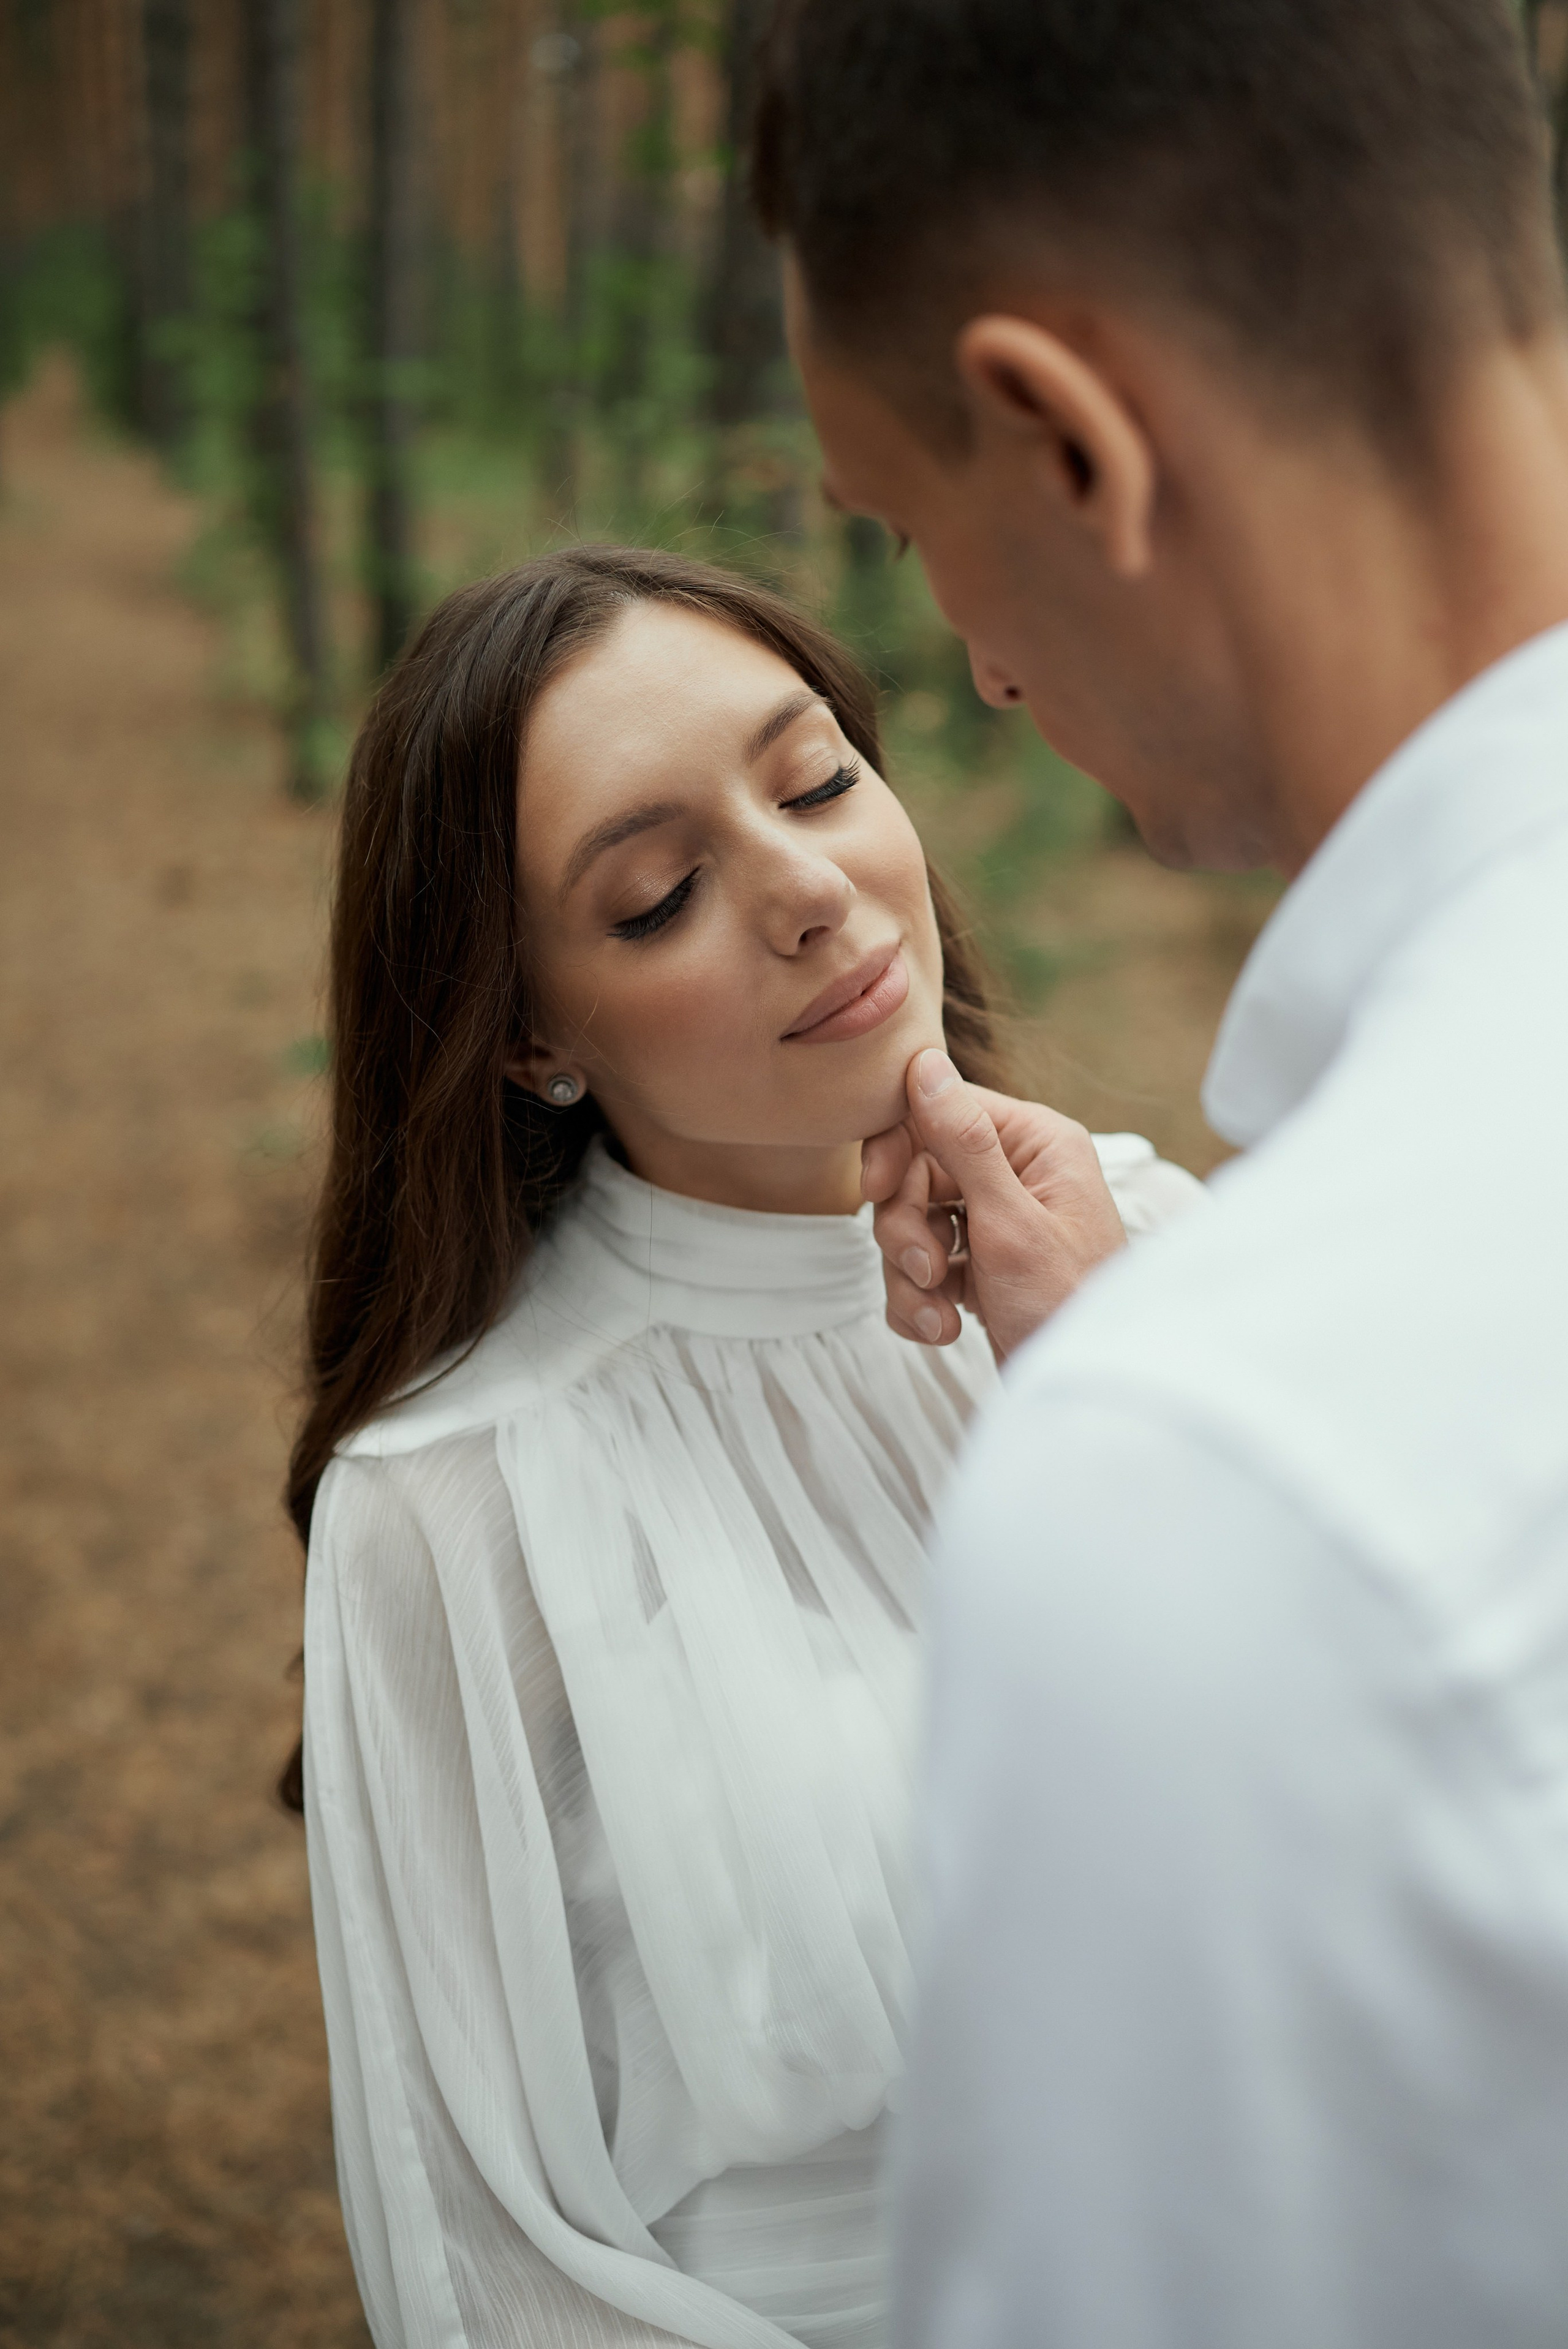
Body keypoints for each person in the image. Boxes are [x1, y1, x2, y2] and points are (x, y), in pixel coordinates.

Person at [756, 1, 1568, 2342]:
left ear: (1070, 441)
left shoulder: (1200, 1491)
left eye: (913, 528)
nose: (978, 668)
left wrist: (1177, 1412)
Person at [287, 545, 1200, 2349]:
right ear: (530, 1034)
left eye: (817, 782)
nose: (808, 890)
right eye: (656, 898)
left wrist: (1109, 1393)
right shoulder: (459, 1493)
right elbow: (478, 2247)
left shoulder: (1157, 1248)